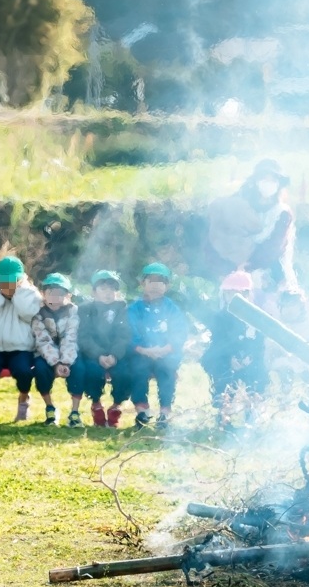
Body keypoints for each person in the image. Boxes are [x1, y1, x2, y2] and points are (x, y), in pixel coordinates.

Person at [205, 158, 297, 287]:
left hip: (269, 274)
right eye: (264, 179)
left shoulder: (282, 213)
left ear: (278, 184)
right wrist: (227, 268)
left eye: (273, 180)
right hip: (231, 271)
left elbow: (273, 248)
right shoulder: (238, 206)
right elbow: (217, 237)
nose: (268, 184)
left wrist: (247, 267)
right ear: (255, 182)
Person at [125, 262, 195, 429]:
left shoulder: (172, 308)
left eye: (161, 282)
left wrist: (165, 349)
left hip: (166, 352)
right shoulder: (134, 309)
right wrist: (143, 350)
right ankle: (142, 410)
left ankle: (164, 413)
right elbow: (128, 333)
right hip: (141, 353)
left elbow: (179, 333)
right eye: (151, 281)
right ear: (143, 283)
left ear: (167, 286)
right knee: (137, 370)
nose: (156, 286)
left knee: (167, 371)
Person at [0, 255, 40, 423]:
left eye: (12, 281)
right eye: (4, 282)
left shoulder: (30, 294)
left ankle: (24, 400)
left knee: (24, 371)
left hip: (21, 348)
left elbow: (30, 315)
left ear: (21, 279)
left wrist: (18, 295)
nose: (8, 286)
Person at [201, 270, 269, 424]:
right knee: (223, 376)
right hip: (224, 357)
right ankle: (224, 413)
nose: (234, 298)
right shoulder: (220, 317)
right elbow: (219, 341)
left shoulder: (255, 316)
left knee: (256, 375)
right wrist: (230, 358)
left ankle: (252, 411)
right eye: (230, 293)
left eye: (240, 294)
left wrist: (250, 357)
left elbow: (259, 342)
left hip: (249, 358)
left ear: (248, 295)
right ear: (224, 295)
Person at [74, 270, 132, 427]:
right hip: (93, 354)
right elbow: (84, 336)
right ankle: (96, 403)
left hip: (117, 355)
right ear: (94, 292)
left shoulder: (122, 308)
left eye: (112, 289)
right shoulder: (85, 310)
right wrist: (99, 355)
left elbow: (124, 335)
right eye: (103, 289)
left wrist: (114, 355)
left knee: (125, 372)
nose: (109, 293)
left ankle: (117, 405)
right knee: (91, 371)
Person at [30, 273, 82, 426]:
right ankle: (50, 407)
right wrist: (55, 363)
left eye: (60, 293)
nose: (55, 297)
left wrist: (65, 362)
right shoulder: (38, 313)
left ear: (68, 295)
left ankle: (75, 411)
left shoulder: (74, 312)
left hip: (70, 353)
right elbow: (42, 340)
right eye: (51, 292)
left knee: (79, 369)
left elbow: (71, 338)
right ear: (43, 294)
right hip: (46, 354)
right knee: (40, 369)